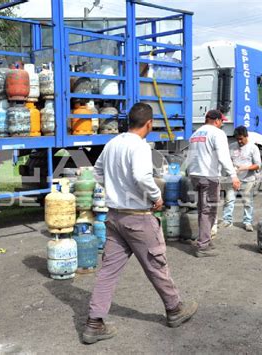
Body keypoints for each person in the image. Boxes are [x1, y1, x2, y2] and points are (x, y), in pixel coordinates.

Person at [83, 103, 198, 345]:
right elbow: (142, 176)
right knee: (156, 265)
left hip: (114, 217)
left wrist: (115, 190)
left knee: (108, 272)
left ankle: (94, 324)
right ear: (149, 124)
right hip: (138, 218)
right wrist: (156, 197)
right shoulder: (140, 146)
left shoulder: (113, 143)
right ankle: (175, 310)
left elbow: (97, 172)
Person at [186, 109, 240, 257]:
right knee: (208, 211)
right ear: (216, 121)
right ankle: (203, 246)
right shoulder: (217, 133)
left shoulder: (195, 134)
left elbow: (190, 157)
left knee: (203, 210)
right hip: (208, 177)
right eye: (221, 121)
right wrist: (233, 176)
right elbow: (223, 156)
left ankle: (205, 240)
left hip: (195, 175)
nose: (222, 124)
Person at [221, 126, 261, 232]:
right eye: (237, 139)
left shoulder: (253, 148)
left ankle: (247, 222)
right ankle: (227, 220)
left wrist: (245, 167)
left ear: (246, 136)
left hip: (248, 179)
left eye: (241, 138)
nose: (239, 141)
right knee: (229, 199)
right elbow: (227, 160)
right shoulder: (232, 147)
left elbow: (258, 165)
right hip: (233, 178)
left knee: (247, 201)